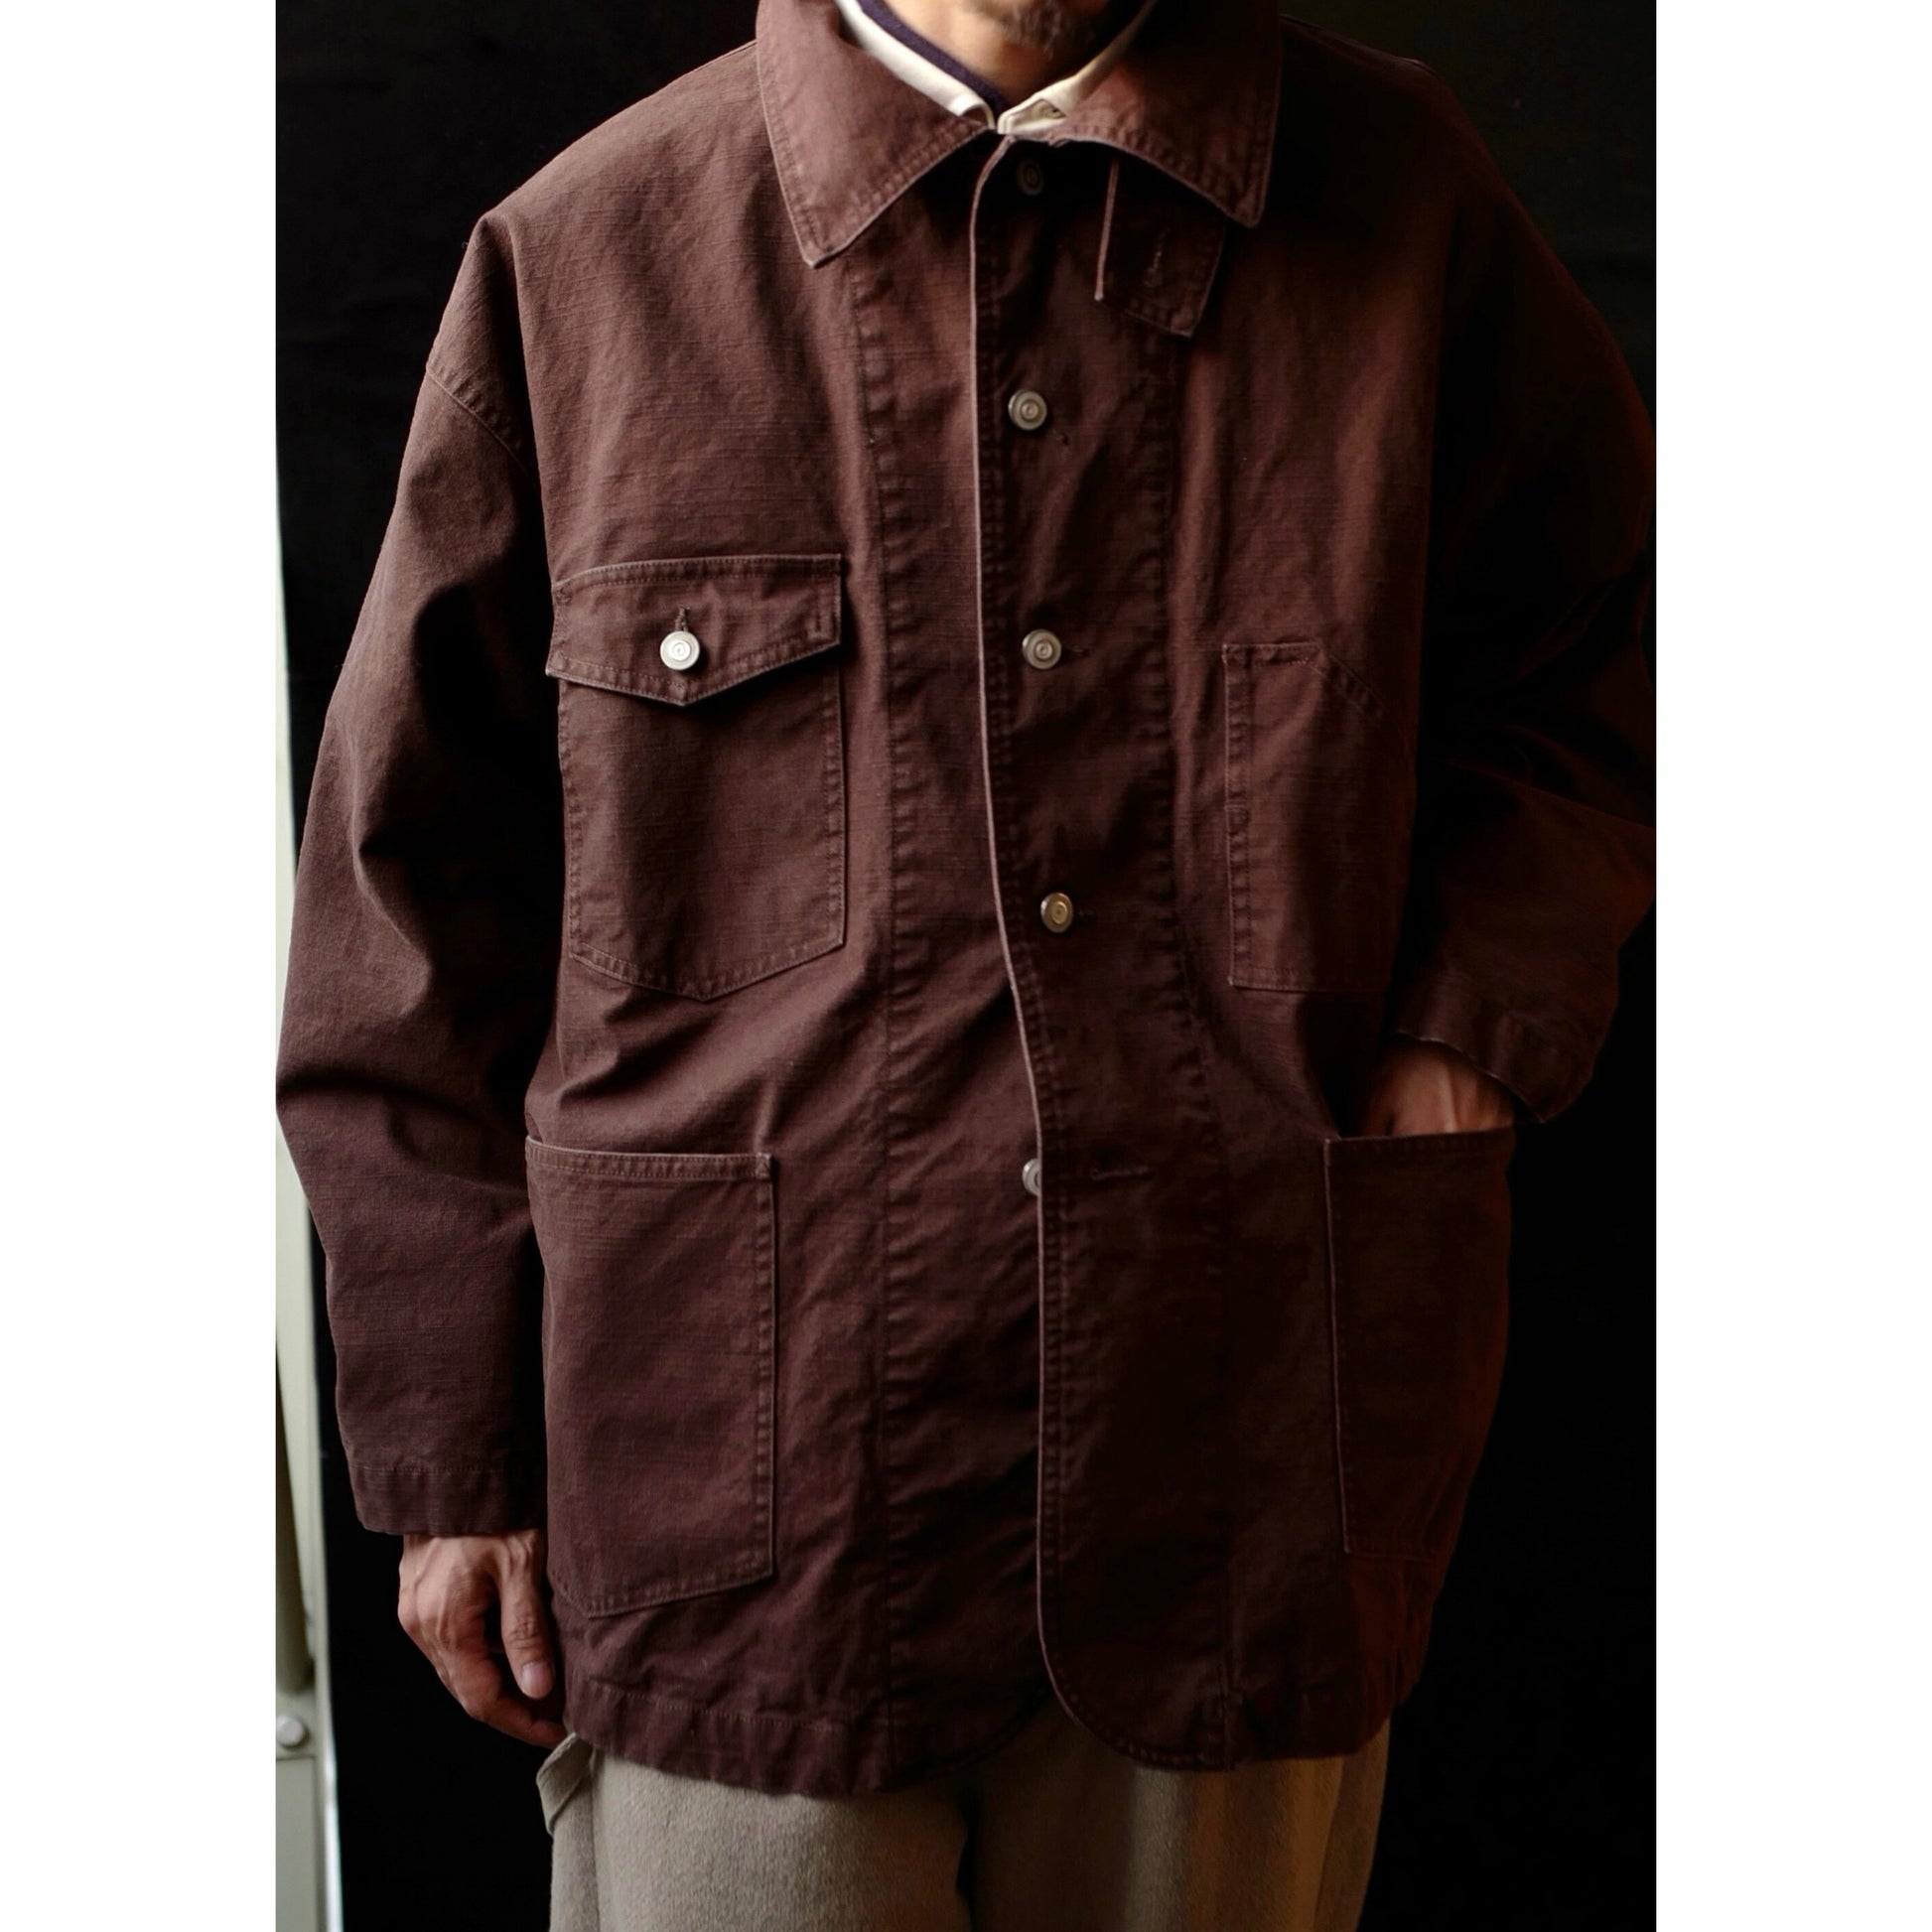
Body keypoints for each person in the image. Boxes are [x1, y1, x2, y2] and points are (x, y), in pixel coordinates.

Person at [275, 0, 1654, 1924]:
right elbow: (407, 894)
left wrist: (1463, 1038)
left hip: (1248, 1455)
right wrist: (451, 1453)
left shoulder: (1402, 203)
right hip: (736, 1519)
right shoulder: (588, 254)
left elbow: (1598, 660)